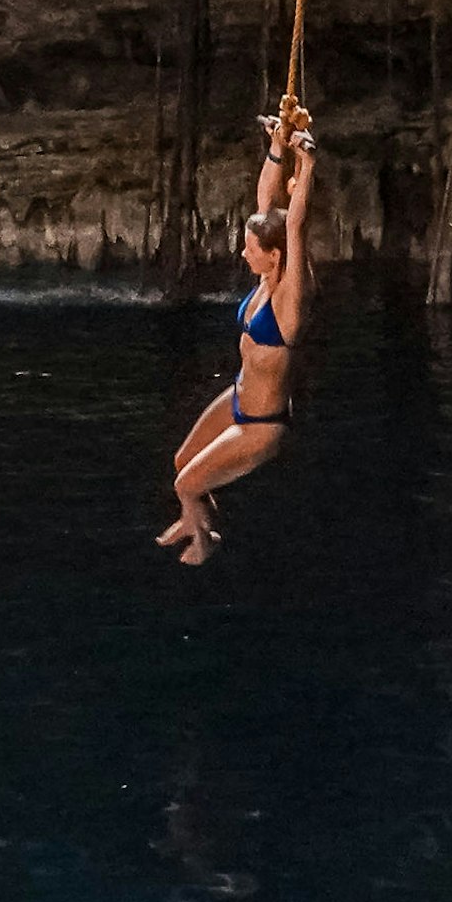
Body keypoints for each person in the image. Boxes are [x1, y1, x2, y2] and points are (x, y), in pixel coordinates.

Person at [159, 101, 316, 565]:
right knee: (179, 464)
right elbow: (266, 204)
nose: (243, 255)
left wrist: (306, 163)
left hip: (262, 426)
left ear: (274, 255)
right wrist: (274, 146)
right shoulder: (266, 279)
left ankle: (204, 541)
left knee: (185, 483)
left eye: (251, 249)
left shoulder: (290, 297)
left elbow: (298, 224)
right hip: (237, 399)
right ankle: (196, 520)